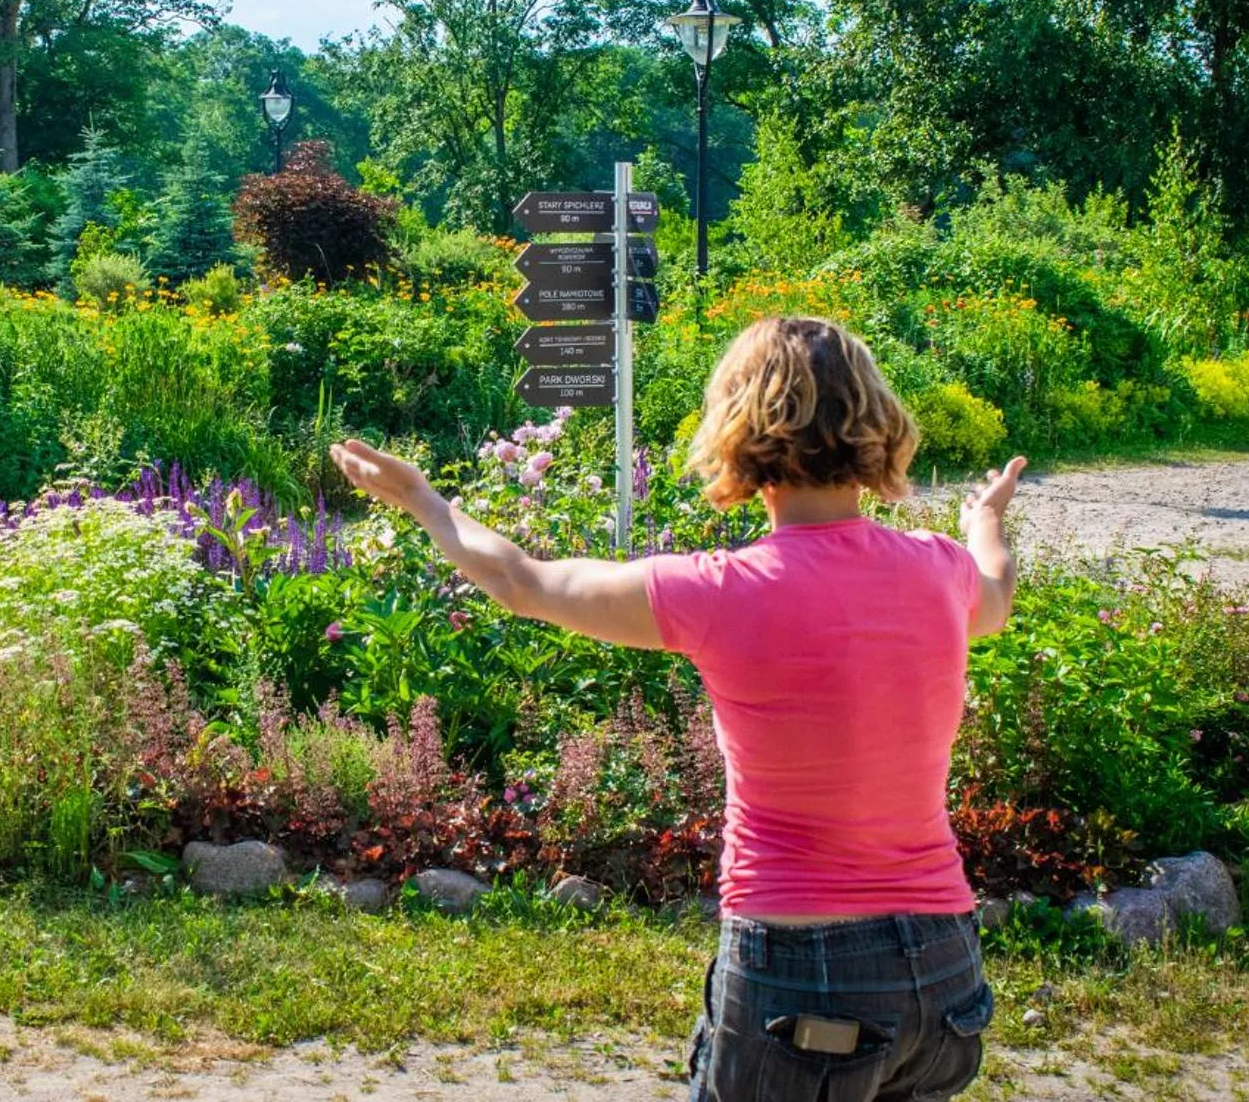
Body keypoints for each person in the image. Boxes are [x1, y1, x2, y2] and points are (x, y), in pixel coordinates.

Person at [329, 315, 1027, 1102]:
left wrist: (420, 495)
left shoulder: (718, 590)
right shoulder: (940, 570)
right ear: (874, 423)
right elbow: (994, 589)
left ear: (739, 428)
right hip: (944, 971)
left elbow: (523, 582)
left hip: (803, 977)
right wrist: (983, 518)